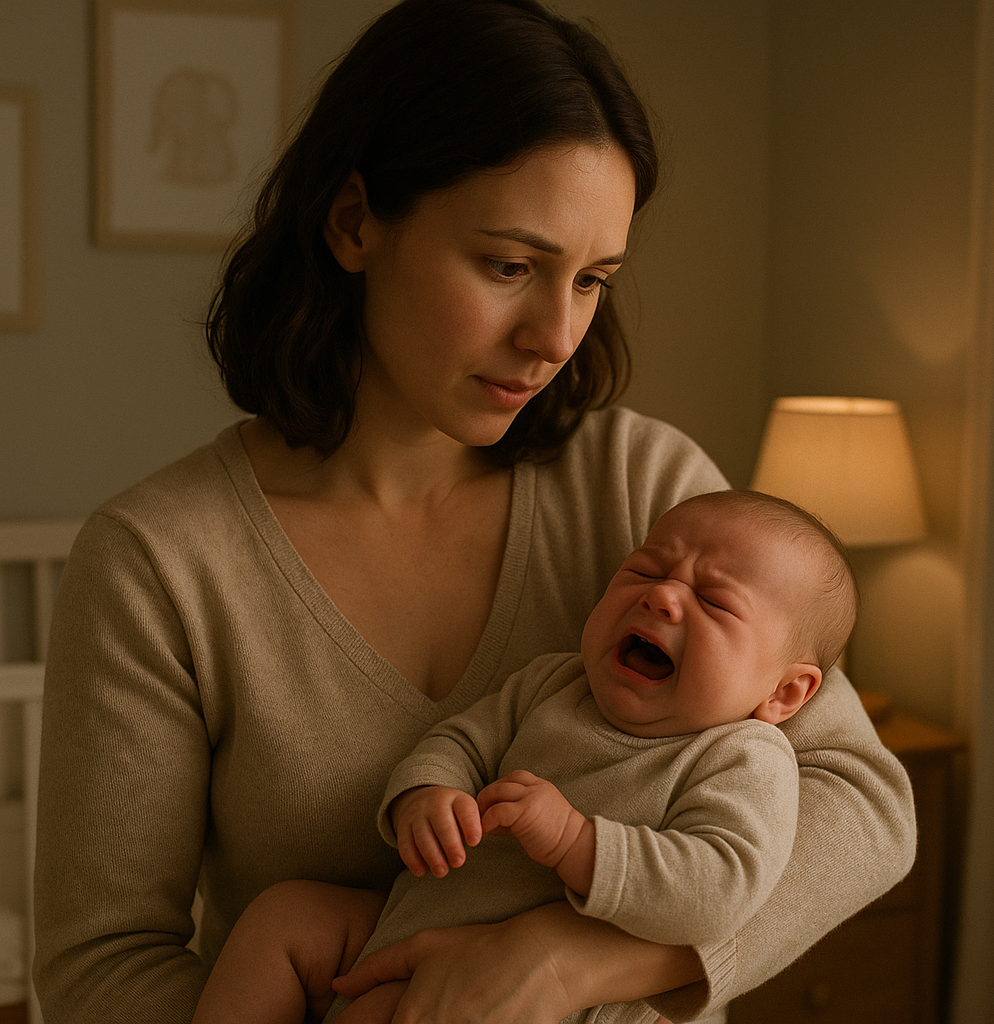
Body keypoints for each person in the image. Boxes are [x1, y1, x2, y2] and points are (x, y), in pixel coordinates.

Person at [33, 2, 916, 1023]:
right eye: (509, 266)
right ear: (355, 220)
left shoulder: (650, 492)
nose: (555, 336)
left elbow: (863, 807)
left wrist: (562, 960)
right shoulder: (159, 563)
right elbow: (101, 964)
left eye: (590, 280)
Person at [191, 488, 857, 1024]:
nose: (662, 596)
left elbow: (720, 887)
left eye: (713, 601)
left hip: (549, 1001)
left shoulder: (744, 758)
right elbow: (461, 741)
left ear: (786, 691)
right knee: (286, 917)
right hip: (404, 920)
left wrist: (579, 842)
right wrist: (427, 794)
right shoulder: (555, 683)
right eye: (645, 570)